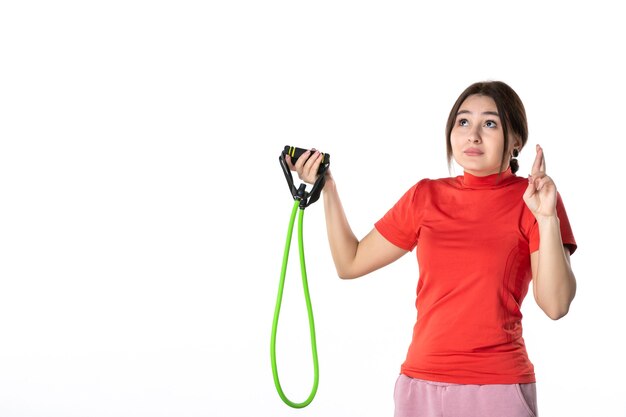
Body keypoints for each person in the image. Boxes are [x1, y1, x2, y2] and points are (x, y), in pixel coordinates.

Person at [286, 80, 577, 417]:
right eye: (463, 121)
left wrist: (547, 217)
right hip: (419, 384)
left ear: (516, 141)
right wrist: (328, 186)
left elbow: (556, 305)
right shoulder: (425, 197)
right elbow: (349, 262)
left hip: (496, 387)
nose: (473, 135)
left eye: (490, 123)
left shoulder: (534, 199)